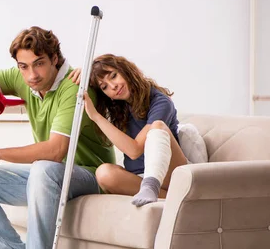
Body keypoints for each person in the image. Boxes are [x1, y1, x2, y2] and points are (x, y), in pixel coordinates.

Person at [0, 26, 116, 249]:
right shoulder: (23, 77)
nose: (31, 75)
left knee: (43, 167)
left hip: (90, 176)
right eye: (24, 66)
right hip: (49, 178)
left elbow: (56, 150)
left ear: (55, 59)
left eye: (39, 64)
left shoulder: (73, 87)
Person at [68, 54, 187, 207]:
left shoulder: (160, 101)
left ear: (125, 70)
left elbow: (135, 150)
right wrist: (84, 77)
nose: (113, 86)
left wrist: (96, 117)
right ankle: (170, 198)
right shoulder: (120, 109)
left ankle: (152, 187)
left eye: (114, 76)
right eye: (104, 87)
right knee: (103, 173)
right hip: (139, 178)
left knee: (157, 126)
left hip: (170, 174)